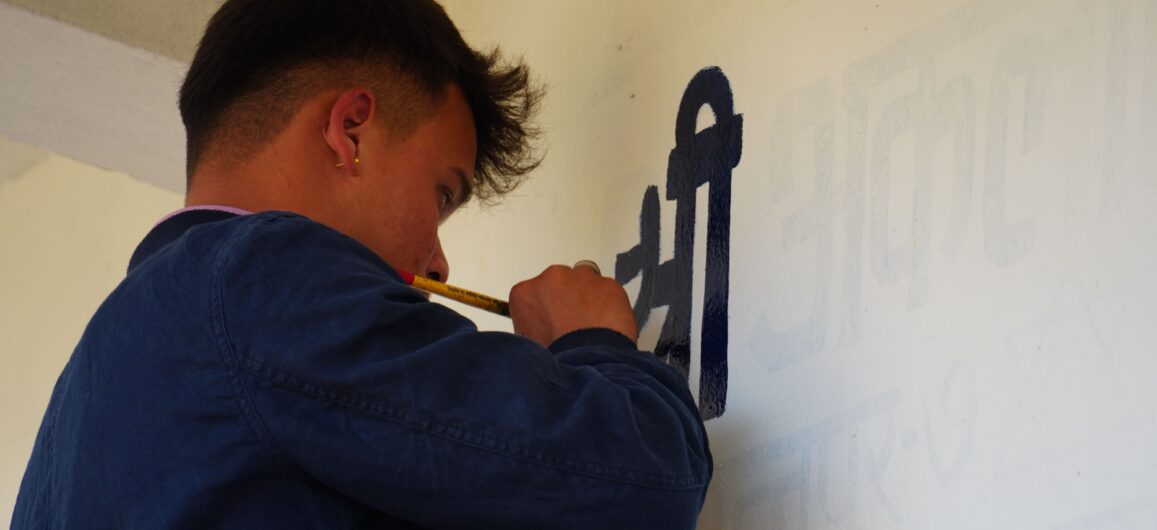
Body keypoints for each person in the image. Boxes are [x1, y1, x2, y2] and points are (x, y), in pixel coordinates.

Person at [11, 0, 712, 528]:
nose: (439, 261)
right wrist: (593, 346)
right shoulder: (261, 276)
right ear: (350, 130)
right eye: (442, 193)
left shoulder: (86, 392)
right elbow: (648, 478)